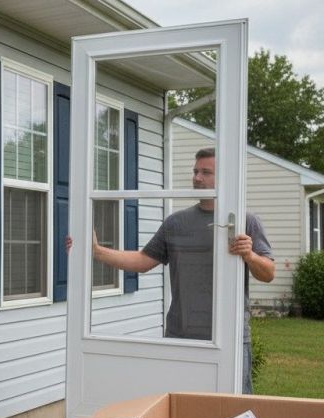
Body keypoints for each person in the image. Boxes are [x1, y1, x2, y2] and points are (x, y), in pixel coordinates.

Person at [90, 147, 274, 393]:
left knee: (234, 410)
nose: (197, 178)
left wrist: (249, 255)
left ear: (224, 177)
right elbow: (144, 261)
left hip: (231, 336)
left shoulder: (243, 221)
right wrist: (97, 251)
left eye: (206, 172)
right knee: (182, 408)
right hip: (181, 334)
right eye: (195, 171)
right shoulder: (176, 223)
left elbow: (268, 273)